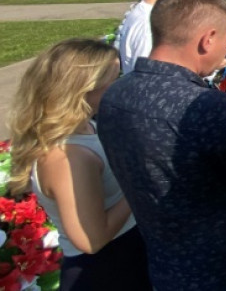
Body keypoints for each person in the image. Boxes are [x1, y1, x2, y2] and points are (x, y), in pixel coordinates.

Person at [97, 0, 226, 291]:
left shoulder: (115, 95)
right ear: (207, 39)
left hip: (166, 266)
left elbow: (192, 140)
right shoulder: (209, 109)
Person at [9, 39, 150, 290]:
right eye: (113, 79)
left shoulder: (86, 126)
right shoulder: (67, 157)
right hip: (104, 271)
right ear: (83, 88)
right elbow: (90, 240)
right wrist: (139, 181)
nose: (120, 86)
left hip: (124, 257)